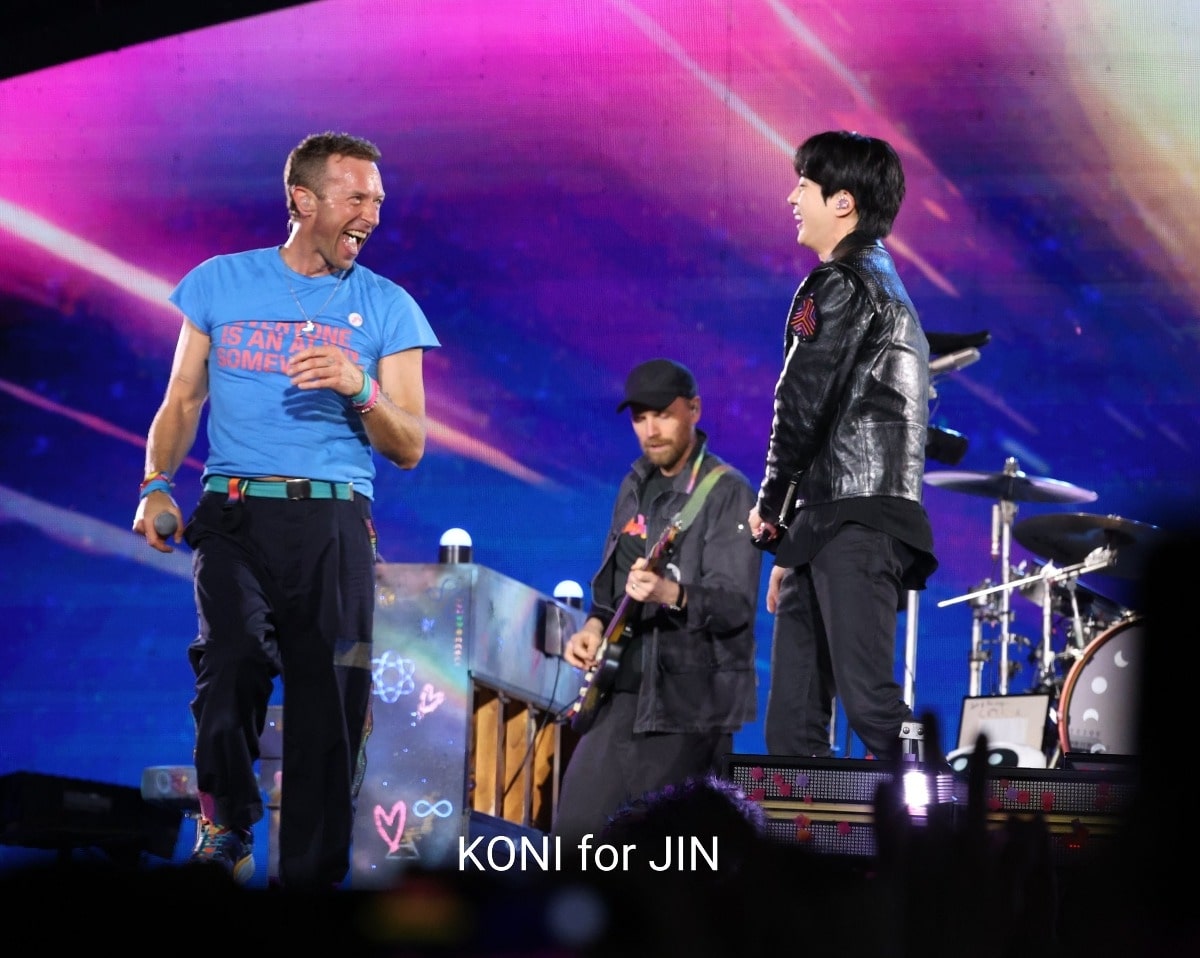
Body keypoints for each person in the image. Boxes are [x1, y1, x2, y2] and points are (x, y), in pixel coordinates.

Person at [132, 131, 440, 889]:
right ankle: (227, 827)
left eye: (378, 200)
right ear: (303, 199)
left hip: (333, 523)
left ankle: (307, 883)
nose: (372, 213)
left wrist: (357, 386)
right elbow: (182, 399)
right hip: (235, 515)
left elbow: (409, 445)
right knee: (231, 660)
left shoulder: (388, 306)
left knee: (329, 707)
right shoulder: (220, 282)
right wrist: (155, 483)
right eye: (356, 197)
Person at [748, 130, 937, 761]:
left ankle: (959, 807)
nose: (792, 198)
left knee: (872, 707)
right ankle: (811, 832)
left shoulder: (840, 284)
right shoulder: (883, 287)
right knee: (793, 731)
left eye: (804, 186)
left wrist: (770, 508)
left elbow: (801, 402)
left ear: (843, 202)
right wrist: (793, 540)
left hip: (854, 521)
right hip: (830, 522)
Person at [552, 358, 761, 851]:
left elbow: (736, 605)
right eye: (641, 418)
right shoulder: (633, 485)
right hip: (618, 698)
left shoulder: (726, 491)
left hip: (686, 709)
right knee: (571, 843)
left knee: (665, 860)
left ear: (694, 410)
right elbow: (612, 592)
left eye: (663, 415)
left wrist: (673, 594)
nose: (651, 430)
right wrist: (593, 628)